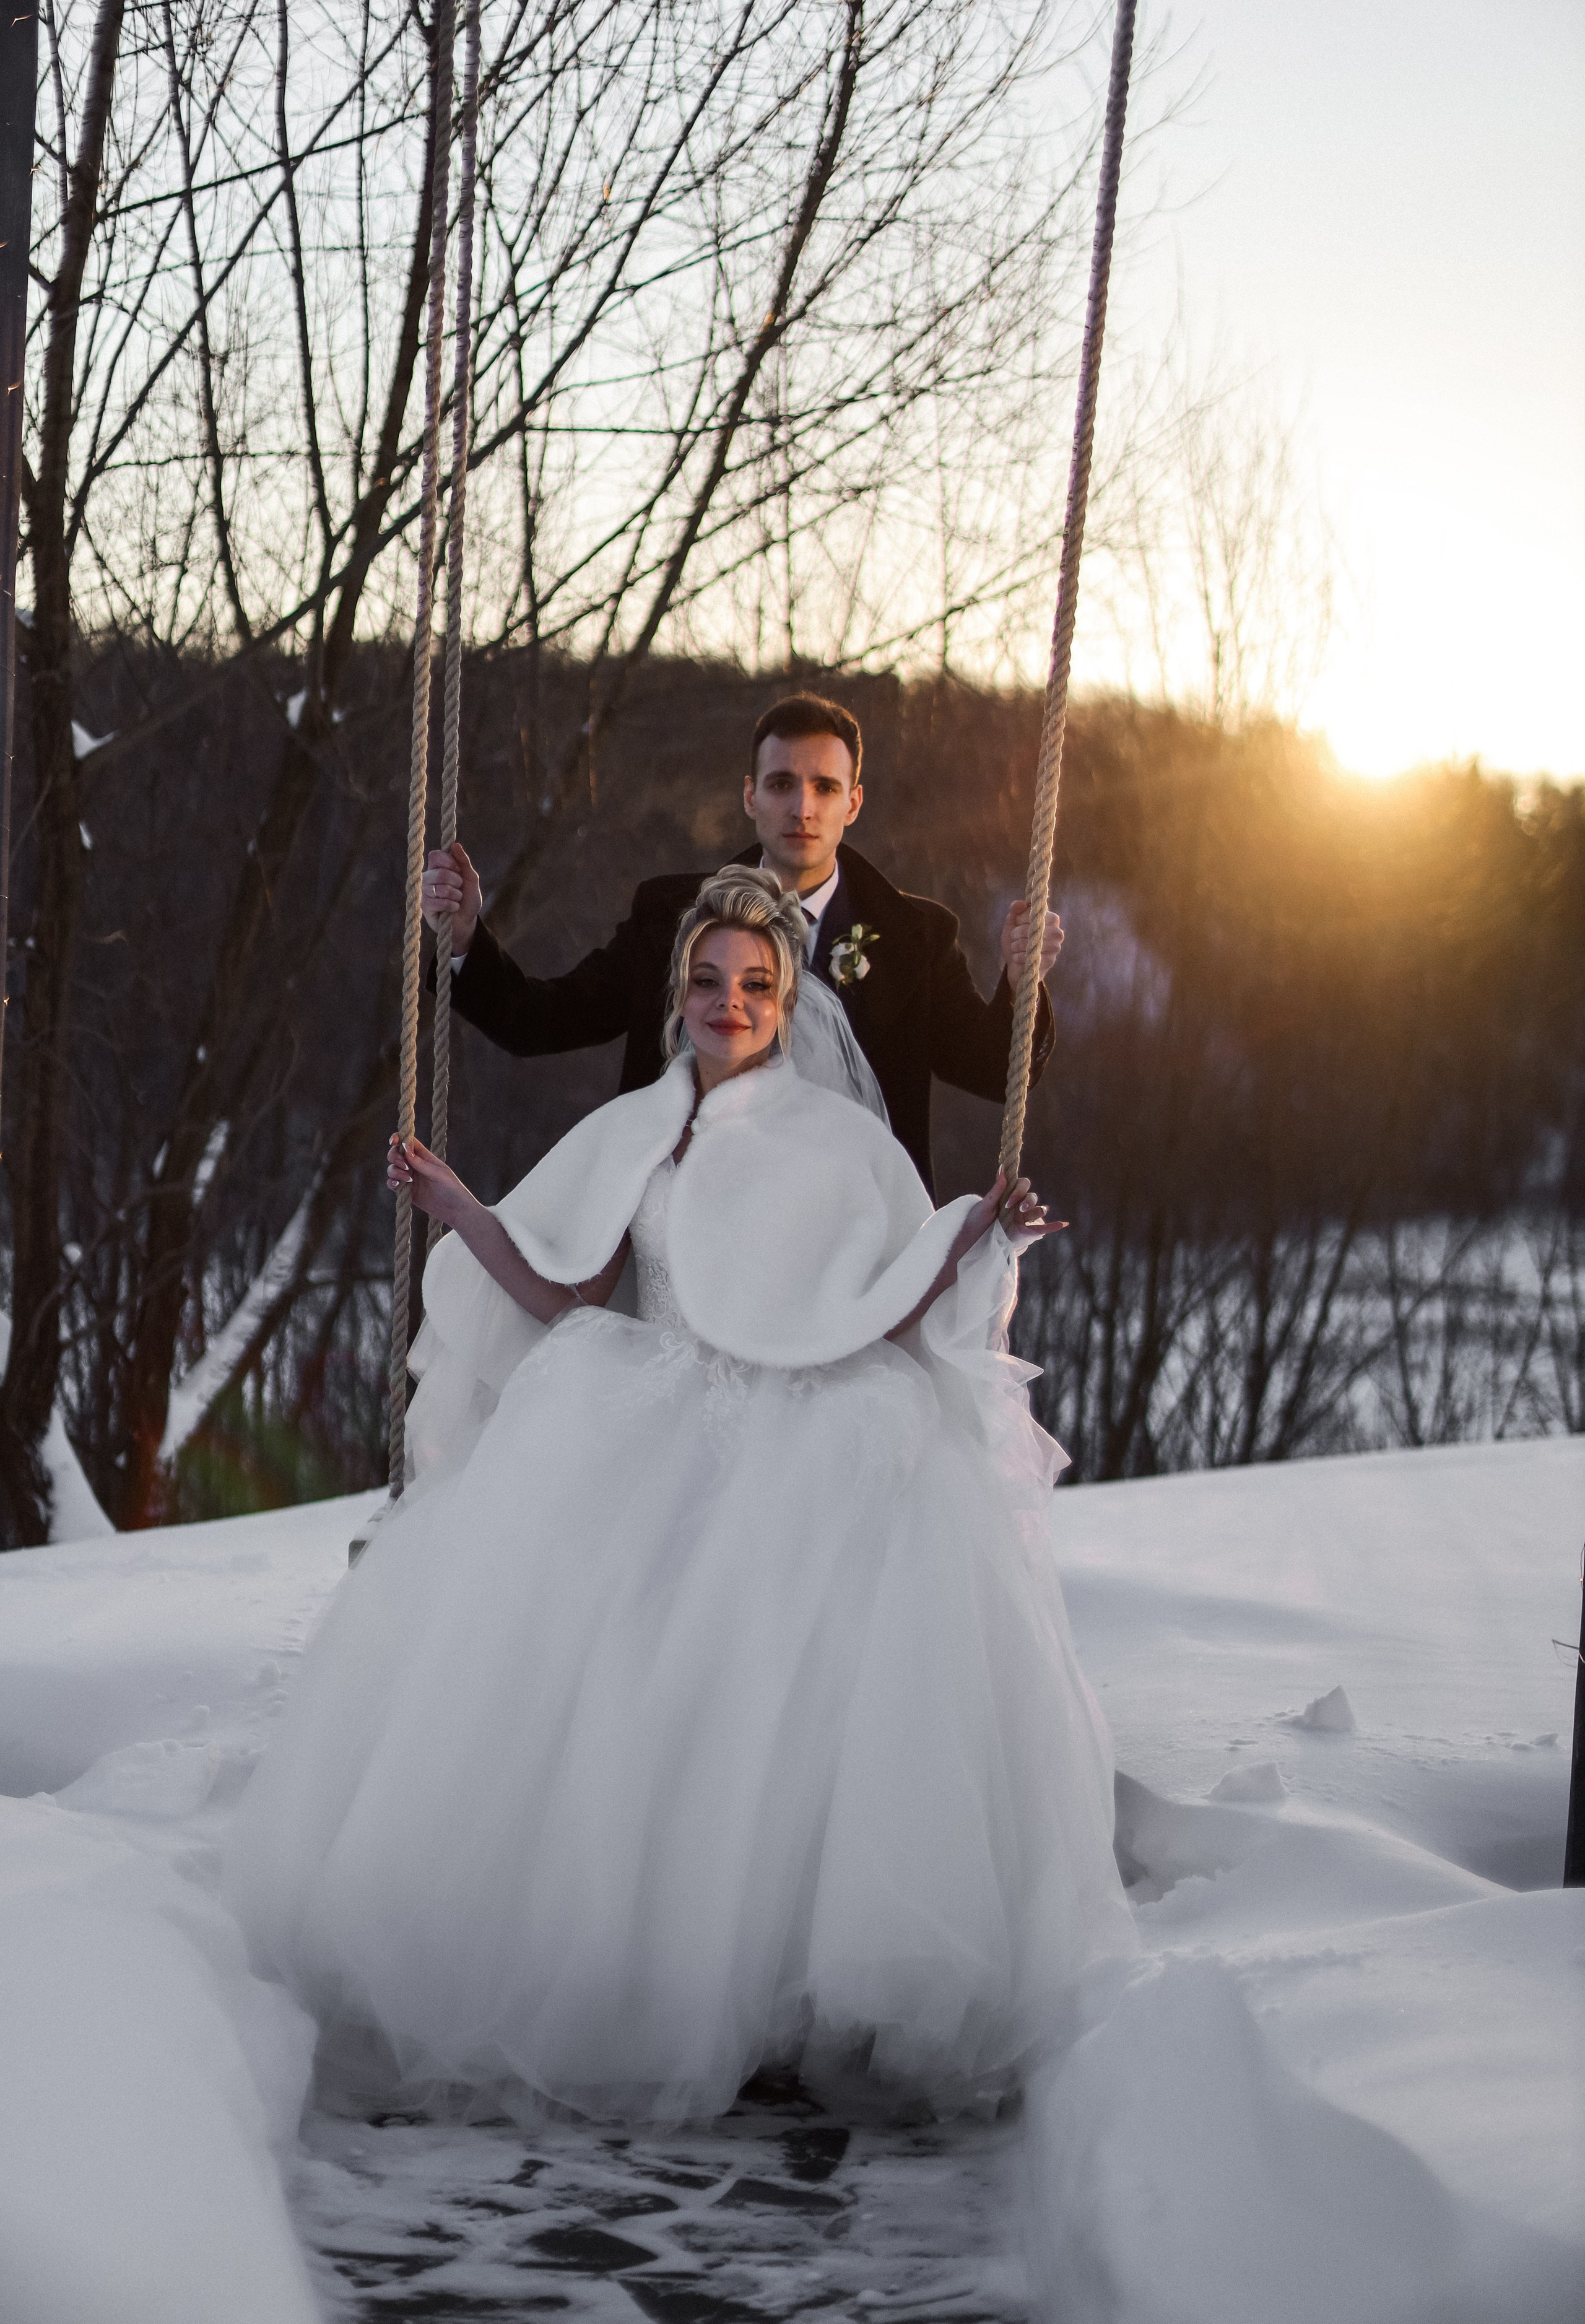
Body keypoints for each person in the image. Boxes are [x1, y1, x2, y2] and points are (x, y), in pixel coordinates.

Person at [225, 869, 1130, 2126]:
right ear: (680, 992)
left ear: (788, 999)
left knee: (787, 1646)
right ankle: (619, 1971)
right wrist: (460, 1209)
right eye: (708, 981)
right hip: (652, 1393)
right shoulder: (637, 1132)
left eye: (754, 984)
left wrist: (983, 1236)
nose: (728, 1002)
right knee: (604, 1670)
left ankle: (786, 1987)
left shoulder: (843, 1143)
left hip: (802, 1414)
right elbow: (569, 1292)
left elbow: (886, 1302)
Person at [422, 692, 1062, 1196]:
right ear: (751, 795)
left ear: (853, 803)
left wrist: (1020, 978)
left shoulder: (915, 937)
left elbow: (995, 1073)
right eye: (782, 784)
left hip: (853, 1239)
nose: (802, 808)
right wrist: (465, 937)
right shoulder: (671, 917)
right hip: (691, 1219)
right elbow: (542, 1021)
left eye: (825, 787)